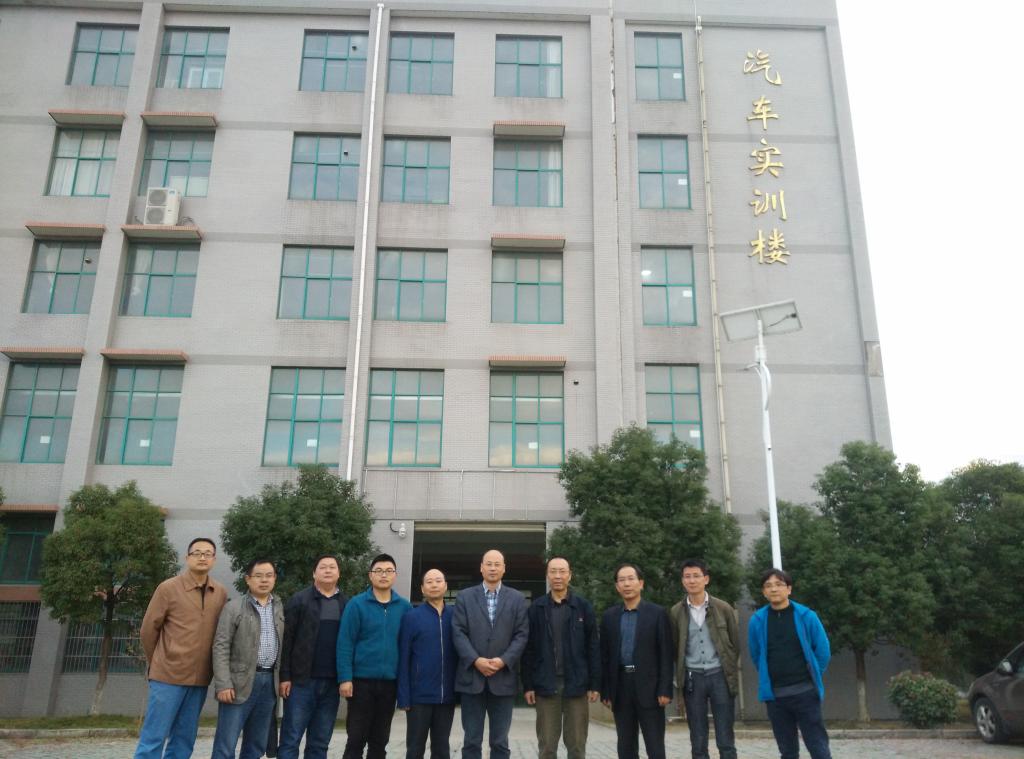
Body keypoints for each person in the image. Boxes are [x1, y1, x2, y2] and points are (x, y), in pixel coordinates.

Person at [135, 537, 228, 759]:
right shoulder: (168, 588)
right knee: (154, 737)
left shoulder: (220, 592)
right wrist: (158, 662)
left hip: (200, 679)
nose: (202, 557)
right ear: (187, 557)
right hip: (167, 677)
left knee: (184, 739)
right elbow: (148, 630)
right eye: (197, 553)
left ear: (214, 560)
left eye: (208, 554)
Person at [451, 549, 529, 759]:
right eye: (489, 564)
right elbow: (458, 632)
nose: (493, 568)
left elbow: (522, 635)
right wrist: (476, 660)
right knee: (471, 741)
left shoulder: (517, 598)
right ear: (481, 567)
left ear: (504, 569)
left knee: (500, 742)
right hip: (472, 678)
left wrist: (503, 660)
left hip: (503, 679)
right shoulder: (465, 597)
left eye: (497, 564)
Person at [748, 568, 833, 759]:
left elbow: (823, 651)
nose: (774, 589)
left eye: (779, 584)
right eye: (768, 586)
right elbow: (756, 654)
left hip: (806, 693)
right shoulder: (757, 621)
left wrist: (813, 674)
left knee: (818, 747)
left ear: (789, 589)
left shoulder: (806, 616)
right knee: (787, 751)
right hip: (775, 697)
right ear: (764, 592)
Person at [522, 556, 600, 759]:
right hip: (546, 684)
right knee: (547, 746)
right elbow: (529, 650)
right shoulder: (536, 609)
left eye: (562, 571)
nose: (558, 576)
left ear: (570, 575)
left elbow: (593, 647)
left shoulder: (583, 607)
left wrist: (594, 684)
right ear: (547, 575)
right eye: (553, 571)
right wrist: (528, 685)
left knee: (577, 746)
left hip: (577, 684)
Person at [336, 553, 413, 759]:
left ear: (395, 575)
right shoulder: (357, 604)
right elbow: (345, 642)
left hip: (389, 684)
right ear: (370, 575)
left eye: (388, 571)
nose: (383, 575)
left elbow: (409, 647)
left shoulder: (405, 607)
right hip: (361, 683)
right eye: (378, 571)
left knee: (380, 740)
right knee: (356, 739)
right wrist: (345, 678)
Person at [211, 558, 285, 759]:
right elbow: (220, 646)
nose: (264, 580)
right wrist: (223, 683)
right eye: (258, 576)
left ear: (275, 579)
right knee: (226, 744)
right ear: (248, 579)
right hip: (238, 683)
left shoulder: (278, 607)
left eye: (269, 576)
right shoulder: (234, 607)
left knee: (256, 745)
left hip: (269, 683)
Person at [277, 555, 349, 759]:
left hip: (331, 684)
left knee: (320, 742)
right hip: (301, 682)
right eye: (323, 567)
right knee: (290, 740)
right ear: (314, 573)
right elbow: (287, 640)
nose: (328, 570)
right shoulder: (299, 600)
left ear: (338, 573)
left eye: (332, 567)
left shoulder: (346, 603)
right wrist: (285, 676)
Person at [599, 563, 673, 759]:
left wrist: (665, 688)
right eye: (622, 580)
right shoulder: (609, 617)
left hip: (650, 688)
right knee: (625, 746)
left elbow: (666, 653)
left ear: (641, 583)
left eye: (631, 579)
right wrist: (606, 690)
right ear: (617, 586)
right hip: (620, 687)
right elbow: (604, 656)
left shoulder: (657, 614)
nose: (627, 584)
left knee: (655, 746)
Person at [668, 559, 740, 759]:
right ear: (683, 581)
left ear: (706, 579)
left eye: (696, 576)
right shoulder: (676, 612)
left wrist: (727, 667)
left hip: (720, 675)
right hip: (693, 678)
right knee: (698, 738)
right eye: (687, 576)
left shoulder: (723, 608)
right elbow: (675, 647)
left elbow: (734, 644)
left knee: (725, 738)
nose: (692, 581)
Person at [397, 568, 457, 759]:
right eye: (429, 582)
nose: (434, 585)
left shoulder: (455, 616)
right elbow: (404, 658)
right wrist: (404, 696)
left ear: (445, 586)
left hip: (446, 697)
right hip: (419, 697)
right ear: (422, 589)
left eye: (438, 581)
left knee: (442, 748)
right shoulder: (411, 617)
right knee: (415, 748)